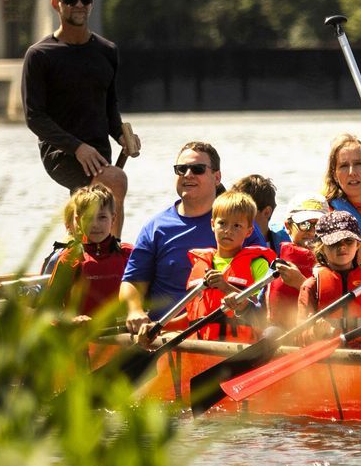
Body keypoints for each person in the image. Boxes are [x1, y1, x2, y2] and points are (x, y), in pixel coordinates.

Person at [19, 0, 140, 191]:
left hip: (99, 151)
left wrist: (120, 135)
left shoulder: (107, 51)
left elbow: (109, 105)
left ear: (91, 2)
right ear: (56, 4)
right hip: (61, 152)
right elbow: (34, 117)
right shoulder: (39, 55)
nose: (79, 4)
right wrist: (77, 148)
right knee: (115, 182)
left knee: (96, 210)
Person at [119, 141, 258, 328]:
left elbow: (263, 287)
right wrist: (135, 311)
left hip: (227, 335)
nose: (188, 174)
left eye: (197, 169)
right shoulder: (155, 227)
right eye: (181, 169)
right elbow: (132, 282)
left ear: (217, 177)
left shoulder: (242, 224)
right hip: (165, 335)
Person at [179, 191, 274, 343]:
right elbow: (193, 316)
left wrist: (226, 287)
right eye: (222, 223)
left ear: (249, 231)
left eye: (237, 225)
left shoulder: (257, 264)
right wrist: (158, 326)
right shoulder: (200, 265)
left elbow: (262, 313)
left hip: (240, 351)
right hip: (200, 350)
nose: (228, 230)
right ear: (212, 224)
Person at [43, 185, 127, 315]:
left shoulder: (128, 254)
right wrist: (71, 320)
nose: (95, 224)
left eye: (102, 217)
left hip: (124, 331)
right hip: (82, 332)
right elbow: (48, 310)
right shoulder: (69, 259)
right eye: (88, 218)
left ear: (113, 219)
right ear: (78, 221)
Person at [298, 211, 361, 339]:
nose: (342, 247)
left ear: (358, 244)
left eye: (348, 241)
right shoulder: (311, 286)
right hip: (329, 355)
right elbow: (301, 336)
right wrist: (314, 332)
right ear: (321, 247)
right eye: (334, 242)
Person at [266, 198, 325, 328]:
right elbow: (260, 304)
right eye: (304, 224)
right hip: (281, 330)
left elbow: (334, 305)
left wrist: (301, 283)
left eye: (319, 226)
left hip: (317, 330)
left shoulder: (334, 263)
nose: (312, 232)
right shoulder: (277, 263)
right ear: (287, 226)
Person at [321, 132, 361, 261]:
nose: (352, 172)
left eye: (358, 164)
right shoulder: (324, 213)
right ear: (334, 174)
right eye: (344, 166)